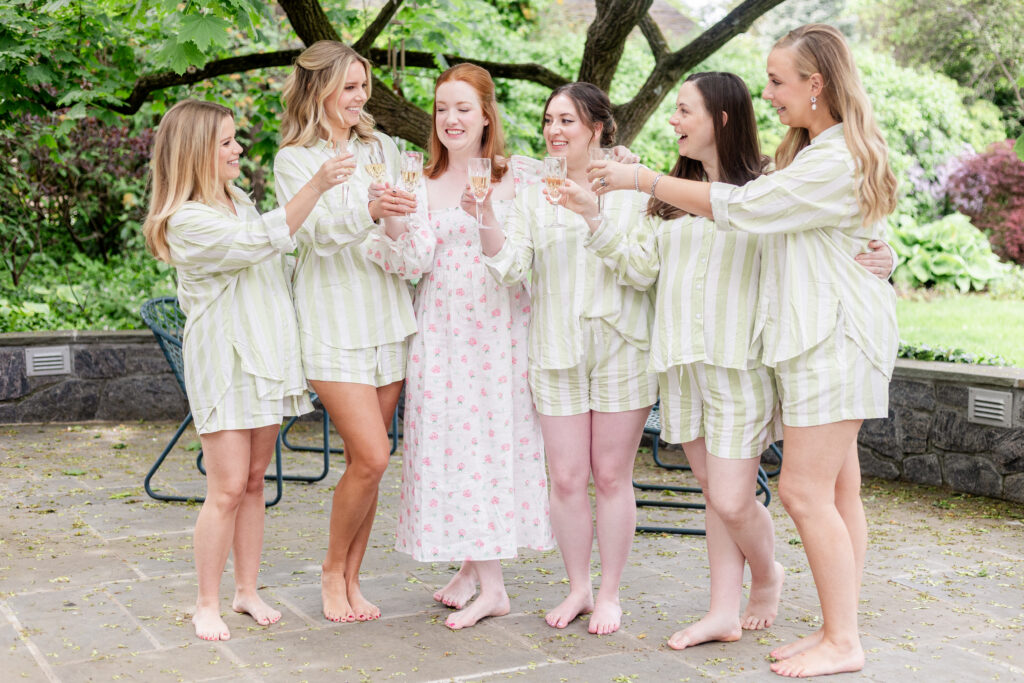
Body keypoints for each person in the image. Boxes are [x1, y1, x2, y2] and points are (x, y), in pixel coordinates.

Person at [590, 24, 899, 677]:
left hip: (833, 338)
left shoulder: (829, 159)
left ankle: (842, 639)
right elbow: (854, 232)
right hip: (820, 336)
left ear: (817, 84)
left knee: (804, 491)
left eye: (779, 81)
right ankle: (835, 625)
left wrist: (644, 180)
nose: (769, 94)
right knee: (839, 491)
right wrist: (884, 252)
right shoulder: (818, 152)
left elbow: (752, 209)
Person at [142, 98, 353, 641]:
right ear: (195, 154)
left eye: (235, 139)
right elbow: (256, 243)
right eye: (226, 143)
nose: (238, 149)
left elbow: (272, 252)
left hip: (264, 357)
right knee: (227, 487)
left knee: (257, 481)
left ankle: (246, 592)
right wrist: (318, 185)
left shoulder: (237, 199)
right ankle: (205, 602)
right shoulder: (186, 220)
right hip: (227, 361)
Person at [365, 63, 554, 630]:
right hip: (443, 330)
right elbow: (412, 263)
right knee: (453, 447)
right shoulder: (420, 182)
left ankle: (492, 588)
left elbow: (526, 256)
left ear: (486, 115)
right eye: (443, 108)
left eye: (463, 108)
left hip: (498, 330)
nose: (450, 119)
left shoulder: (515, 175)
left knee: (491, 449)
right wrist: (393, 219)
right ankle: (472, 568)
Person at [480, 82, 656, 635]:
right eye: (549, 120)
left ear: (598, 129)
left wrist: (591, 216)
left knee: (610, 476)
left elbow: (643, 271)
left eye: (568, 122)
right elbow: (511, 269)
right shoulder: (536, 192)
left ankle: (610, 593)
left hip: (622, 349)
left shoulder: (633, 188)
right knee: (566, 478)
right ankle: (577, 586)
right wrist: (484, 213)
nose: (555, 131)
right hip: (555, 351)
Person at [273, 40, 428, 624]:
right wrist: (365, 207)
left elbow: (395, 218)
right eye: (350, 88)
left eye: (364, 86)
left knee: (370, 463)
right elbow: (310, 234)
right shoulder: (294, 158)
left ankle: (354, 580)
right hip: (333, 321)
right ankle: (330, 571)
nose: (361, 98)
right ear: (319, 90)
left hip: (387, 315)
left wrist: (395, 210)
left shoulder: (379, 145)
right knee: (374, 454)